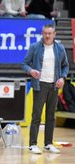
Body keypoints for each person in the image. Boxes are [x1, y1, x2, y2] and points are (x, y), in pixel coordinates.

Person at [22, 24, 69, 154]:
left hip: (54, 86)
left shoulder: (60, 48)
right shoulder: (35, 47)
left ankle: (48, 143)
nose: (47, 36)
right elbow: (24, 64)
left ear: (54, 34)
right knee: (36, 115)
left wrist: (62, 78)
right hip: (40, 85)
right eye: (45, 33)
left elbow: (65, 66)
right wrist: (31, 70)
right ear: (42, 34)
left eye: (50, 33)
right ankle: (32, 144)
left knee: (51, 116)